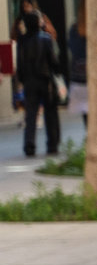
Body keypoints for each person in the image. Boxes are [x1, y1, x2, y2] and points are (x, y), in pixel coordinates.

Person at [14, 11, 61, 157]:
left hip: (29, 81)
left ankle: (29, 145)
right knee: (50, 112)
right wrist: (57, 73)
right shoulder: (46, 39)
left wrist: (22, 79)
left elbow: (20, 63)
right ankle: (52, 144)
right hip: (45, 80)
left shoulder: (22, 41)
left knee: (31, 114)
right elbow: (53, 61)